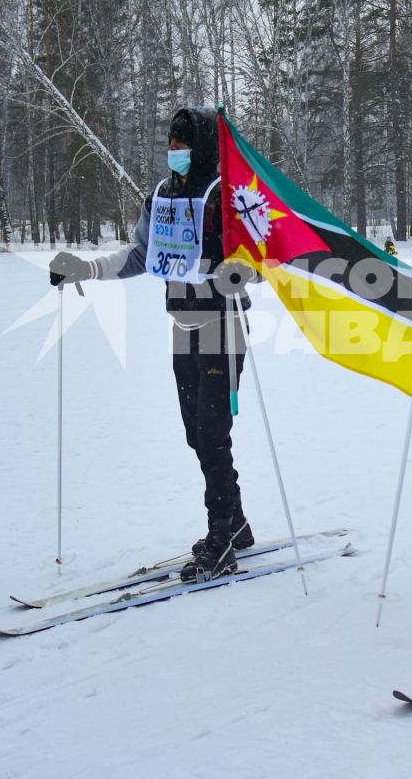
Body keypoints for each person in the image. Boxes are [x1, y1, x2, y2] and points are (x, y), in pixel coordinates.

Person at [46, 107, 255, 582]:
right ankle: (237, 521)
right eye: (171, 144)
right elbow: (140, 255)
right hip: (182, 326)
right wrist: (85, 268)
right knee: (195, 434)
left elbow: (258, 260)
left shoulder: (224, 195)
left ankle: (221, 539)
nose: (175, 153)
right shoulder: (161, 197)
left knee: (212, 432)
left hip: (223, 325)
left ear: (201, 146)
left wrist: (237, 272)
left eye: (184, 145)